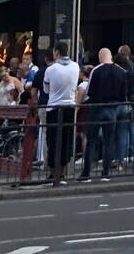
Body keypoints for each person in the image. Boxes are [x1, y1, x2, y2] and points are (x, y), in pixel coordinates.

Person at [82, 47, 133, 180]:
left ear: (100, 57)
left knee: (91, 140)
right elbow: (124, 94)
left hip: (97, 108)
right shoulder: (121, 72)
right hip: (113, 109)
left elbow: (90, 92)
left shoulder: (96, 70)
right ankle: (106, 172)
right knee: (108, 141)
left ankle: (86, 173)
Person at [41, 46, 80, 183]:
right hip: (69, 107)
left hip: (54, 108)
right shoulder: (76, 66)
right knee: (66, 140)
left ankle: (53, 173)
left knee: (52, 141)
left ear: (56, 53)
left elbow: (46, 90)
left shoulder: (50, 70)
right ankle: (62, 172)